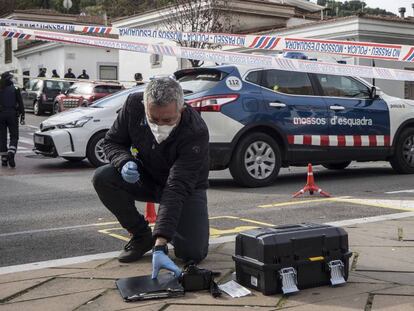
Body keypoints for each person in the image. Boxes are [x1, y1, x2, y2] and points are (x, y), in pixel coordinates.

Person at [92, 77, 209, 279]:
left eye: (168, 120)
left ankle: (168, 232)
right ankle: (141, 235)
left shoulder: (195, 131)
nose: (159, 126)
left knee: (192, 254)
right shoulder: (132, 106)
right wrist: (123, 161)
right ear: (144, 106)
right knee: (103, 177)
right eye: (153, 119)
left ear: (181, 110)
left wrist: (161, 244)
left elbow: (176, 186)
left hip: (185, 187)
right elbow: (112, 142)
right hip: (147, 176)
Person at [0, 72, 25, 168]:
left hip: (1, 115)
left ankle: (4, 159)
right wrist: (23, 115)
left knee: (2, 137)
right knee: (14, 136)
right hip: (12, 115)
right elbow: (21, 103)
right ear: (10, 79)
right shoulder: (15, 89)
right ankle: (11, 152)